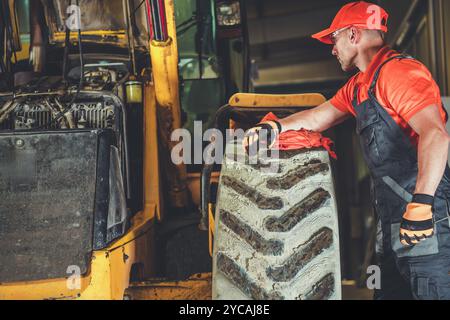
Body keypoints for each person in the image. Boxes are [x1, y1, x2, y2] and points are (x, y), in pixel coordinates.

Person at [243, 1, 450, 300]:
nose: (332, 48)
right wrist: (275, 127)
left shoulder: (401, 73)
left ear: (353, 35)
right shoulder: (358, 86)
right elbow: (320, 116)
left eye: (334, 39)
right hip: (392, 221)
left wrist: (422, 203)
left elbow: (435, 134)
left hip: (425, 218)